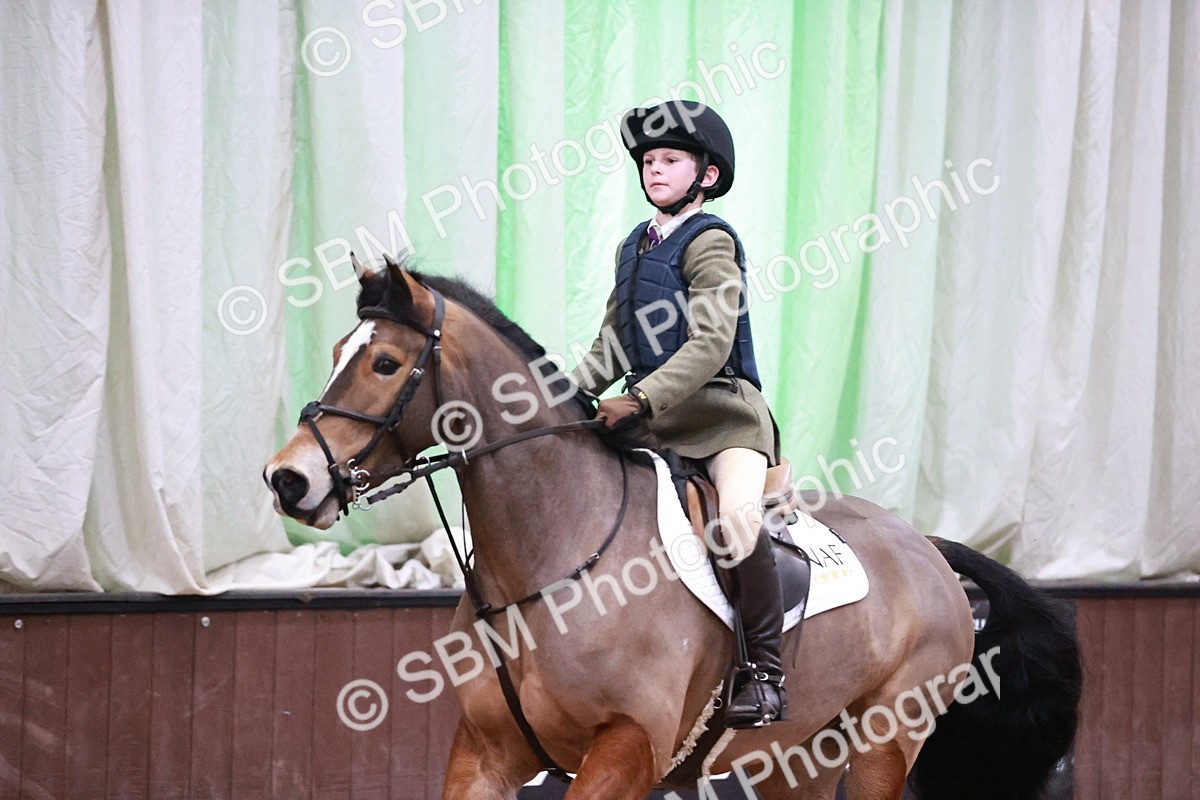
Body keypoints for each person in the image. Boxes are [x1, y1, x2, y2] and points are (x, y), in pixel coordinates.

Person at [570, 100, 787, 728]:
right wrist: (553, 394)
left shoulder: (711, 240)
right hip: (656, 424)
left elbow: (711, 343)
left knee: (740, 523)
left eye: (669, 160)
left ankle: (765, 673)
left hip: (723, 422)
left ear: (706, 175)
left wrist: (636, 399)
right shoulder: (632, 247)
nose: (654, 170)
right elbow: (613, 342)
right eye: (648, 161)